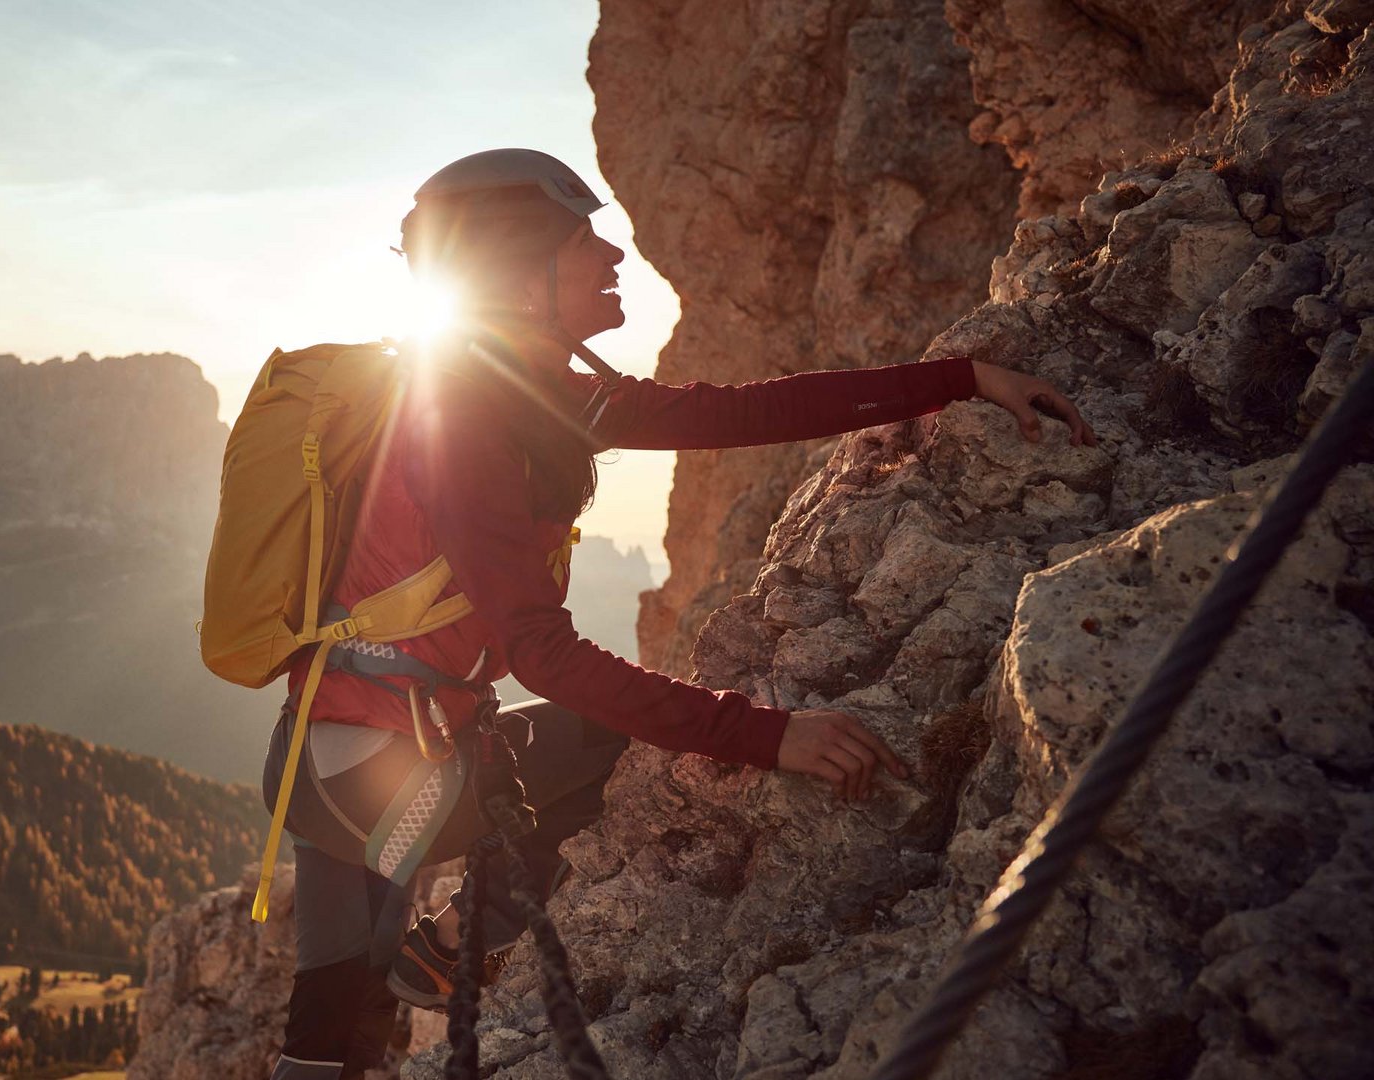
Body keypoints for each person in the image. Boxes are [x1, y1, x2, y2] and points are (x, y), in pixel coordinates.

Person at [262, 149, 1096, 1079]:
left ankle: (433, 953)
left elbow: (732, 415)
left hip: (334, 758)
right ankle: (453, 941)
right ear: (518, 279)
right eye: (585, 243)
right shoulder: (465, 420)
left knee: (332, 1028)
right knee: (621, 752)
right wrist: (763, 734)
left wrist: (956, 378)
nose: (613, 257)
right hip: (381, 776)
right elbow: (544, 655)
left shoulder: (532, 395)